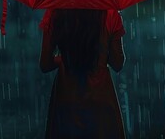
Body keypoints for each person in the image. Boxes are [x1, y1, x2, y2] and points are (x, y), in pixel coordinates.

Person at [39, 8, 126, 138]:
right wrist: (99, 55)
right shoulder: (110, 13)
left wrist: (66, 58)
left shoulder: (55, 12)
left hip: (67, 100)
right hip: (100, 100)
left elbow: (45, 64)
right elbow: (118, 63)